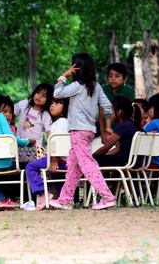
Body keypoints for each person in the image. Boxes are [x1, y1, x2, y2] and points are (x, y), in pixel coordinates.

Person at [49, 53, 116, 210]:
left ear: (76, 68)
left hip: (78, 131)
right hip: (89, 131)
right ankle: (65, 199)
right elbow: (107, 106)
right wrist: (107, 125)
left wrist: (63, 76)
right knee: (73, 165)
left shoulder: (77, 86)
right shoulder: (96, 86)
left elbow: (57, 93)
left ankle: (107, 197)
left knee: (87, 164)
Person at [25, 98, 70, 210]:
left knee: (30, 167)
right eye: (51, 103)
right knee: (57, 175)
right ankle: (60, 199)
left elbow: (58, 142)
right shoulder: (60, 122)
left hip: (59, 159)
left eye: (57, 103)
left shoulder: (62, 122)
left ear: (66, 107)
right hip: (64, 160)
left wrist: (54, 160)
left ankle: (42, 193)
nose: (52, 105)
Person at [93, 96, 142, 167]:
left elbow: (105, 148)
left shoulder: (123, 126)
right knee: (100, 158)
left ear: (119, 111)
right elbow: (119, 147)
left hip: (124, 161)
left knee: (91, 159)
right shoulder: (132, 124)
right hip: (134, 161)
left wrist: (91, 157)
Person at [14, 83, 53, 162]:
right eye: (38, 93)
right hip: (19, 145)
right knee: (15, 164)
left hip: (37, 149)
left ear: (48, 100)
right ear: (34, 92)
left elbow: (50, 136)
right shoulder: (24, 104)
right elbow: (10, 115)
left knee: (42, 168)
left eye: (44, 96)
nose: (39, 97)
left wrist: (52, 156)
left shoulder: (46, 115)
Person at [99, 63, 135, 143]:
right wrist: (102, 132)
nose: (113, 78)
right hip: (107, 128)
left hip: (123, 128)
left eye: (117, 76)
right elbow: (101, 113)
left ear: (124, 79)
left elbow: (131, 113)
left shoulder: (128, 90)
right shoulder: (103, 89)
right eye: (110, 76)